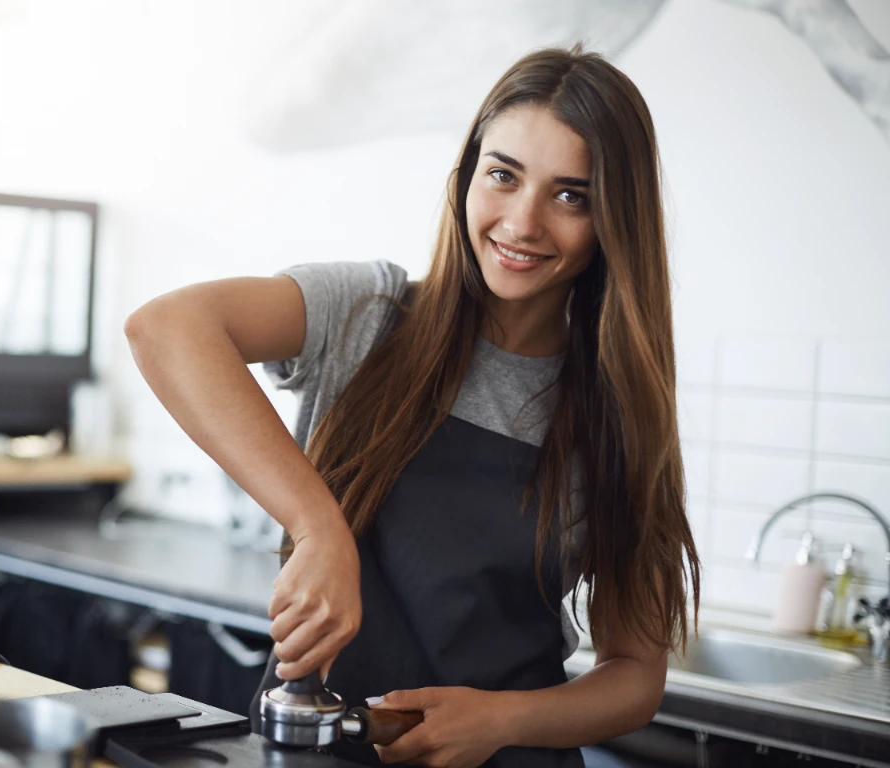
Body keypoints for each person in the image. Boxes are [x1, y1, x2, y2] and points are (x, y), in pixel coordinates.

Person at [126, 45, 701, 768]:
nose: (522, 223)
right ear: (467, 178)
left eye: (570, 195)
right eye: (503, 176)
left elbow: (634, 676)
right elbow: (166, 328)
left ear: (613, 219)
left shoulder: (618, 416)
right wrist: (318, 528)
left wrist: (499, 720)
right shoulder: (367, 316)